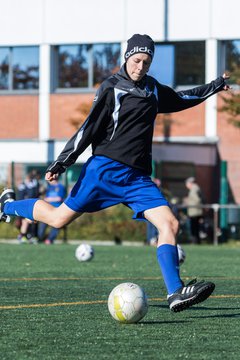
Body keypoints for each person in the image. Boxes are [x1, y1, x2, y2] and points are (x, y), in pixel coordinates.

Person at [0, 34, 230, 312]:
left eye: (146, 62)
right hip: (104, 171)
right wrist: (61, 163)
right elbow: (89, 128)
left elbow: (181, 99)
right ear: (126, 57)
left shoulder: (153, 89)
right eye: (136, 60)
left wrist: (215, 86)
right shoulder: (111, 87)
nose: (141, 67)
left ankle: (175, 292)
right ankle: (8, 205)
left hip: (138, 179)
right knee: (58, 219)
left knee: (170, 224)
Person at [38, 179, 66, 244]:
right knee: (42, 226)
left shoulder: (60, 187)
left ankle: (50, 239)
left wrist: (49, 199)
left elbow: (59, 198)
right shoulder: (49, 187)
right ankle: (42, 238)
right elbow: (45, 198)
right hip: (47, 209)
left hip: (57, 209)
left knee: (56, 225)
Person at [183, 177, 204, 244]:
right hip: (195, 212)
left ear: (190, 183)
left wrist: (187, 201)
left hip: (195, 212)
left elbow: (197, 200)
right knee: (196, 228)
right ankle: (196, 241)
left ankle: (195, 242)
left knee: (194, 228)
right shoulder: (195, 188)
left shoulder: (194, 189)